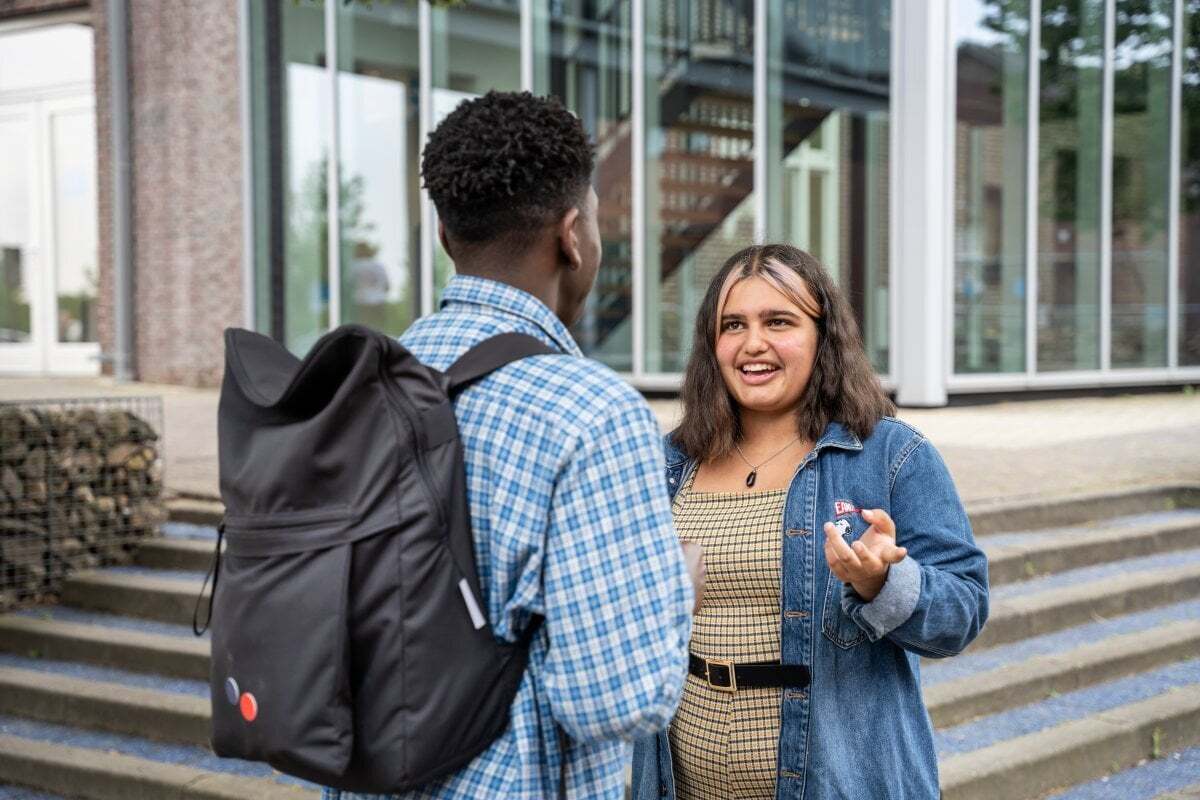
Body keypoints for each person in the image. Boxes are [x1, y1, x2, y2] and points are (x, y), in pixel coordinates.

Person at [322, 91, 701, 800]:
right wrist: (679, 588)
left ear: (442, 234)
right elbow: (615, 700)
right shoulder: (593, 414)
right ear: (572, 236)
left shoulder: (359, 384)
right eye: (594, 219)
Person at [631, 244, 989, 800]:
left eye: (779, 321)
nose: (753, 344)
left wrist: (881, 583)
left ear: (824, 337)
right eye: (733, 325)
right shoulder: (670, 463)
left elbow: (963, 612)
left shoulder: (889, 455)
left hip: (835, 781)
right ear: (712, 344)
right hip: (681, 782)